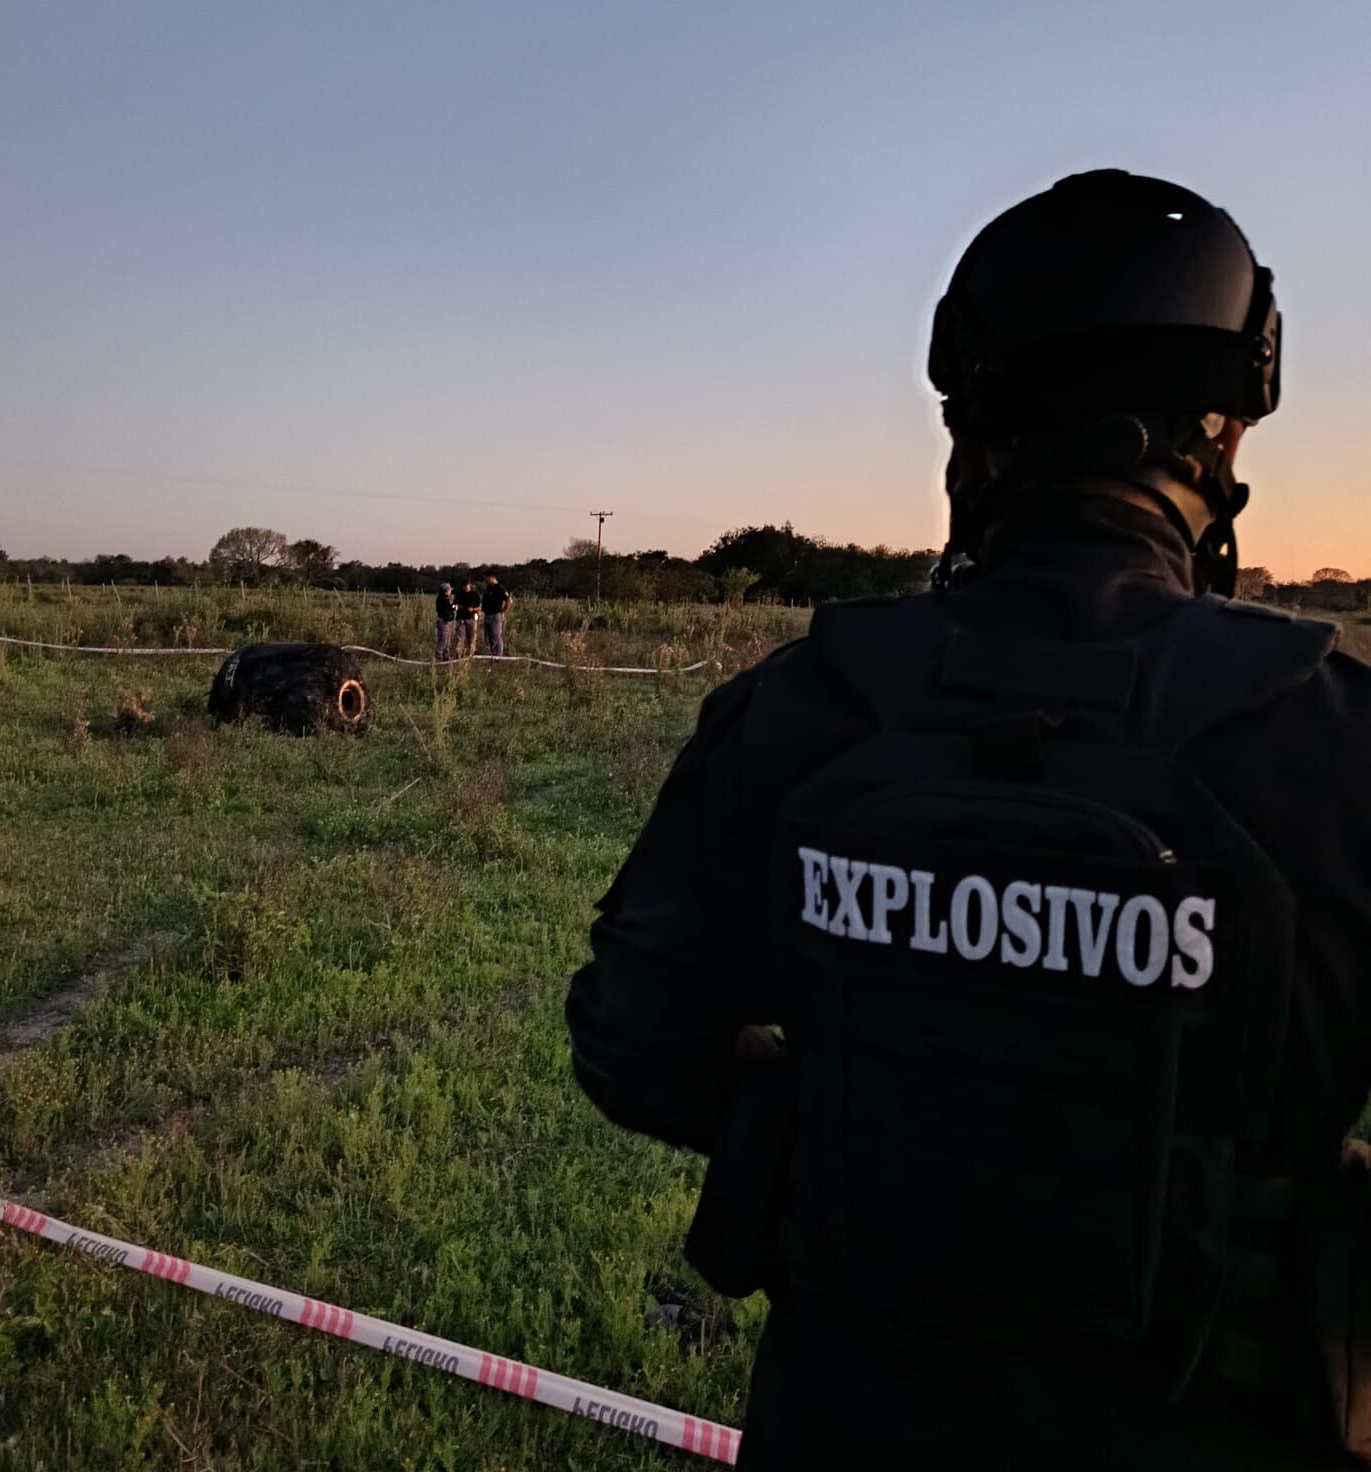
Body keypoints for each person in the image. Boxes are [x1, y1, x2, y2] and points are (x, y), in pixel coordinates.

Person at [565, 170, 1371, 1470]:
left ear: (974, 438)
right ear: (1220, 440)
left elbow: (632, 1041)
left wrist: (857, 1129)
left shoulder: (799, 704)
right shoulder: (1336, 738)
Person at [482, 574, 512, 656]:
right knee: (489, 637)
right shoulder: (488, 587)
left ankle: (498, 656)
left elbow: (509, 600)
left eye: (486, 578)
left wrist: (502, 611)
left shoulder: (500, 588)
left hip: (495, 615)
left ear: (492, 577)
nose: (485, 580)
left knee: (496, 636)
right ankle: (492, 654)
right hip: (487, 615)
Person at [452, 578, 480, 658]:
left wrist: (473, 609)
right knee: (460, 638)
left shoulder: (475, 594)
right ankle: (459, 655)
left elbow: (479, 607)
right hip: (461, 618)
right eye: (464, 586)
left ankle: (470, 655)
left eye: (467, 586)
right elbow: (455, 605)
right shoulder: (459, 594)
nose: (466, 587)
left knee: (472, 638)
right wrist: (462, 607)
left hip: (472, 618)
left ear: (470, 585)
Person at [434, 581, 456, 661]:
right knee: (443, 638)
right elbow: (445, 611)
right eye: (449, 590)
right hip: (443, 621)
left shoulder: (446, 599)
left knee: (448, 639)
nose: (450, 592)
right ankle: (438, 655)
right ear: (445, 591)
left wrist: (453, 607)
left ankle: (446, 656)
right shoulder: (441, 600)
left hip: (446, 621)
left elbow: (451, 607)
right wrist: (451, 614)